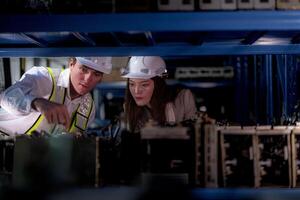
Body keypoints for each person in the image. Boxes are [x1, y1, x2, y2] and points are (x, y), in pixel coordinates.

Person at [0, 57, 112, 135]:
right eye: (84, 69)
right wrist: (37, 103)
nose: (88, 79)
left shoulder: (89, 108)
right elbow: (5, 98)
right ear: (71, 64)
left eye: (96, 74)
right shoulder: (43, 77)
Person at [121, 56, 197, 133]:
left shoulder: (183, 98)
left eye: (144, 85)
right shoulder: (130, 107)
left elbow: (194, 135)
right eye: (132, 84)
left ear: (158, 84)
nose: (136, 91)